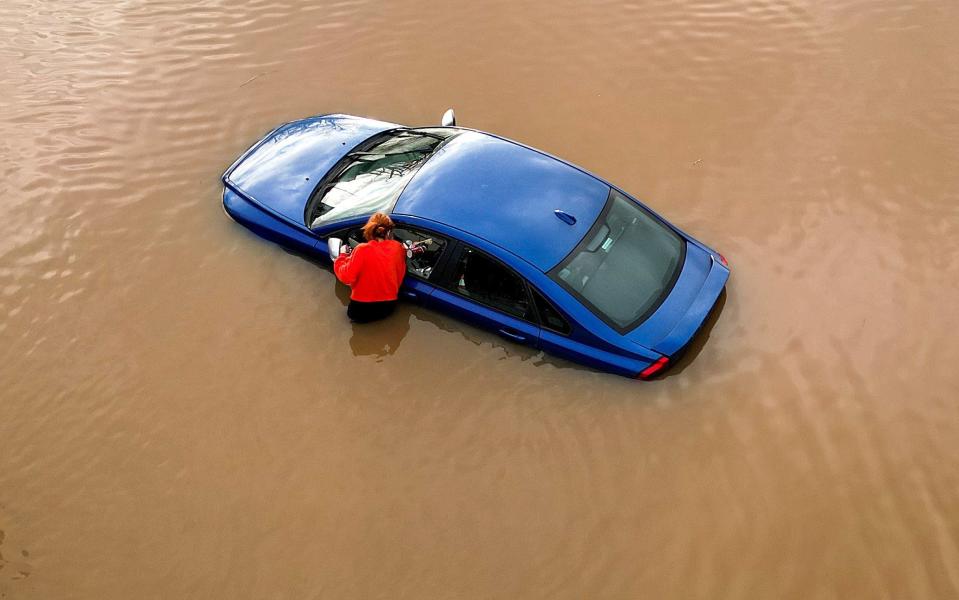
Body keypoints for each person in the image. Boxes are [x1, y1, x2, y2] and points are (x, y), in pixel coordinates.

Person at [333, 212, 407, 323]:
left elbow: (347, 277)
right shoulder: (398, 248)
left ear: (369, 229)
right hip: (388, 307)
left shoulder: (362, 249)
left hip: (361, 309)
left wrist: (342, 256)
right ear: (389, 231)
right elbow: (398, 273)